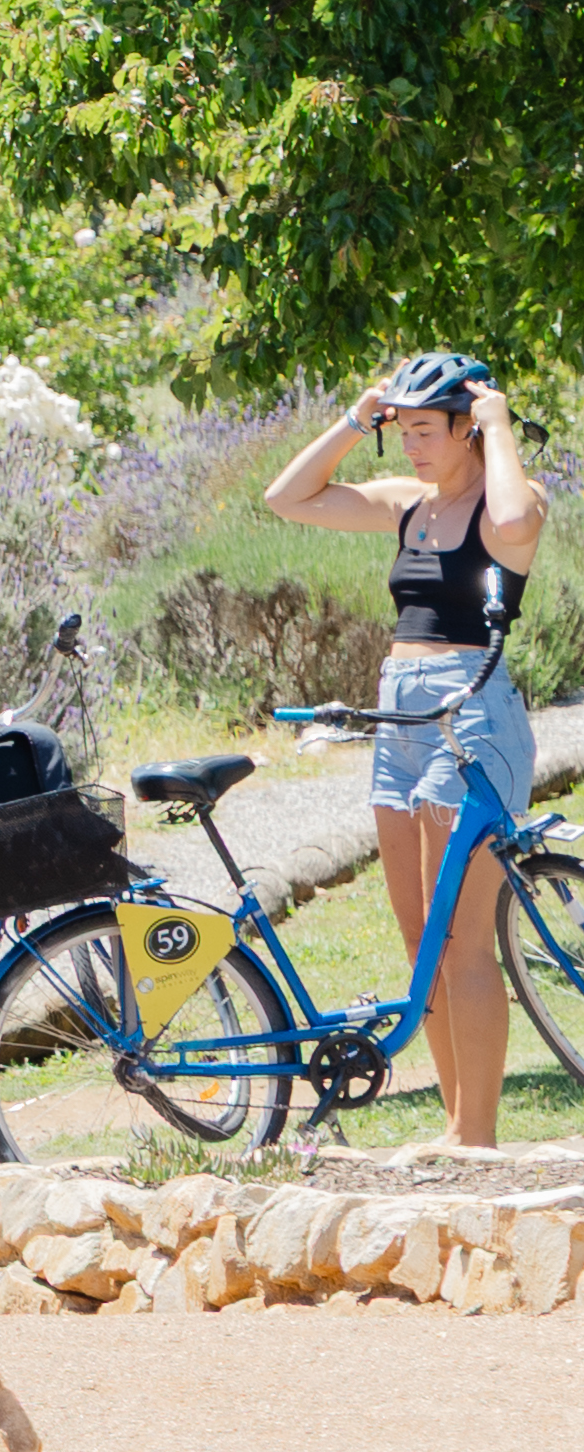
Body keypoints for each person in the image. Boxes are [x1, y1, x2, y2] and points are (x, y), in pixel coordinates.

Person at [259, 354, 546, 1149]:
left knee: (463, 937)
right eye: (405, 429)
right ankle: (458, 1123)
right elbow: (287, 498)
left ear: (465, 426)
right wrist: (357, 419)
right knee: (421, 941)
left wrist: (498, 423)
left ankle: (476, 1137)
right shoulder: (407, 504)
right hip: (399, 712)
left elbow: (520, 528)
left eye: (427, 429)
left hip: (471, 711)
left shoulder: (501, 504)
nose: (412, 443)